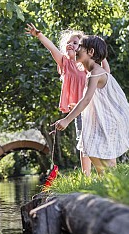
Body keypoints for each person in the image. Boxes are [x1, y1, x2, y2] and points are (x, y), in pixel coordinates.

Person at [25, 23, 110, 176]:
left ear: (83, 49)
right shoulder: (65, 63)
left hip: (93, 107)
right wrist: (39, 35)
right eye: (69, 42)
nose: (71, 44)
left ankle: (104, 171)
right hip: (76, 110)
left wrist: (101, 52)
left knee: (96, 138)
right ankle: (87, 175)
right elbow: (52, 48)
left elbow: (105, 71)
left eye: (76, 43)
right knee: (83, 142)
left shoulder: (86, 65)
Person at [53, 35, 129, 175]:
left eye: (80, 47)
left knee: (91, 146)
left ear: (90, 52)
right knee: (89, 146)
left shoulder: (95, 73)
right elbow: (91, 99)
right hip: (110, 118)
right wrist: (76, 107)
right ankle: (107, 179)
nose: (76, 49)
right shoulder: (92, 72)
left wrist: (66, 120)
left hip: (112, 118)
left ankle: (110, 179)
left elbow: (86, 100)